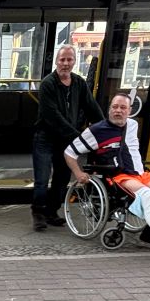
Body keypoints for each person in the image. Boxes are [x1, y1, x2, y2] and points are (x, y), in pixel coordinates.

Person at [65, 93, 150, 257]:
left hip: (140, 174)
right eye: (115, 107)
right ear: (109, 110)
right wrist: (78, 173)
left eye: (123, 107)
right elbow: (69, 152)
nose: (118, 111)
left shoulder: (132, 125)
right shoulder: (96, 130)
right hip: (118, 177)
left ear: (130, 111)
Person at [32, 43, 103, 232]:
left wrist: (105, 129)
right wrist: (78, 137)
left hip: (66, 141)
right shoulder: (48, 84)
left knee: (62, 179)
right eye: (62, 59)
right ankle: (38, 212)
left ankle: (51, 211)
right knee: (42, 179)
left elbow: (92, 107)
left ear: (74, 62)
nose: (65, 63)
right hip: (45, 138)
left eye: (69, 59)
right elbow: (52, 116)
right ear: (57, 61)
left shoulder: (79, 83)